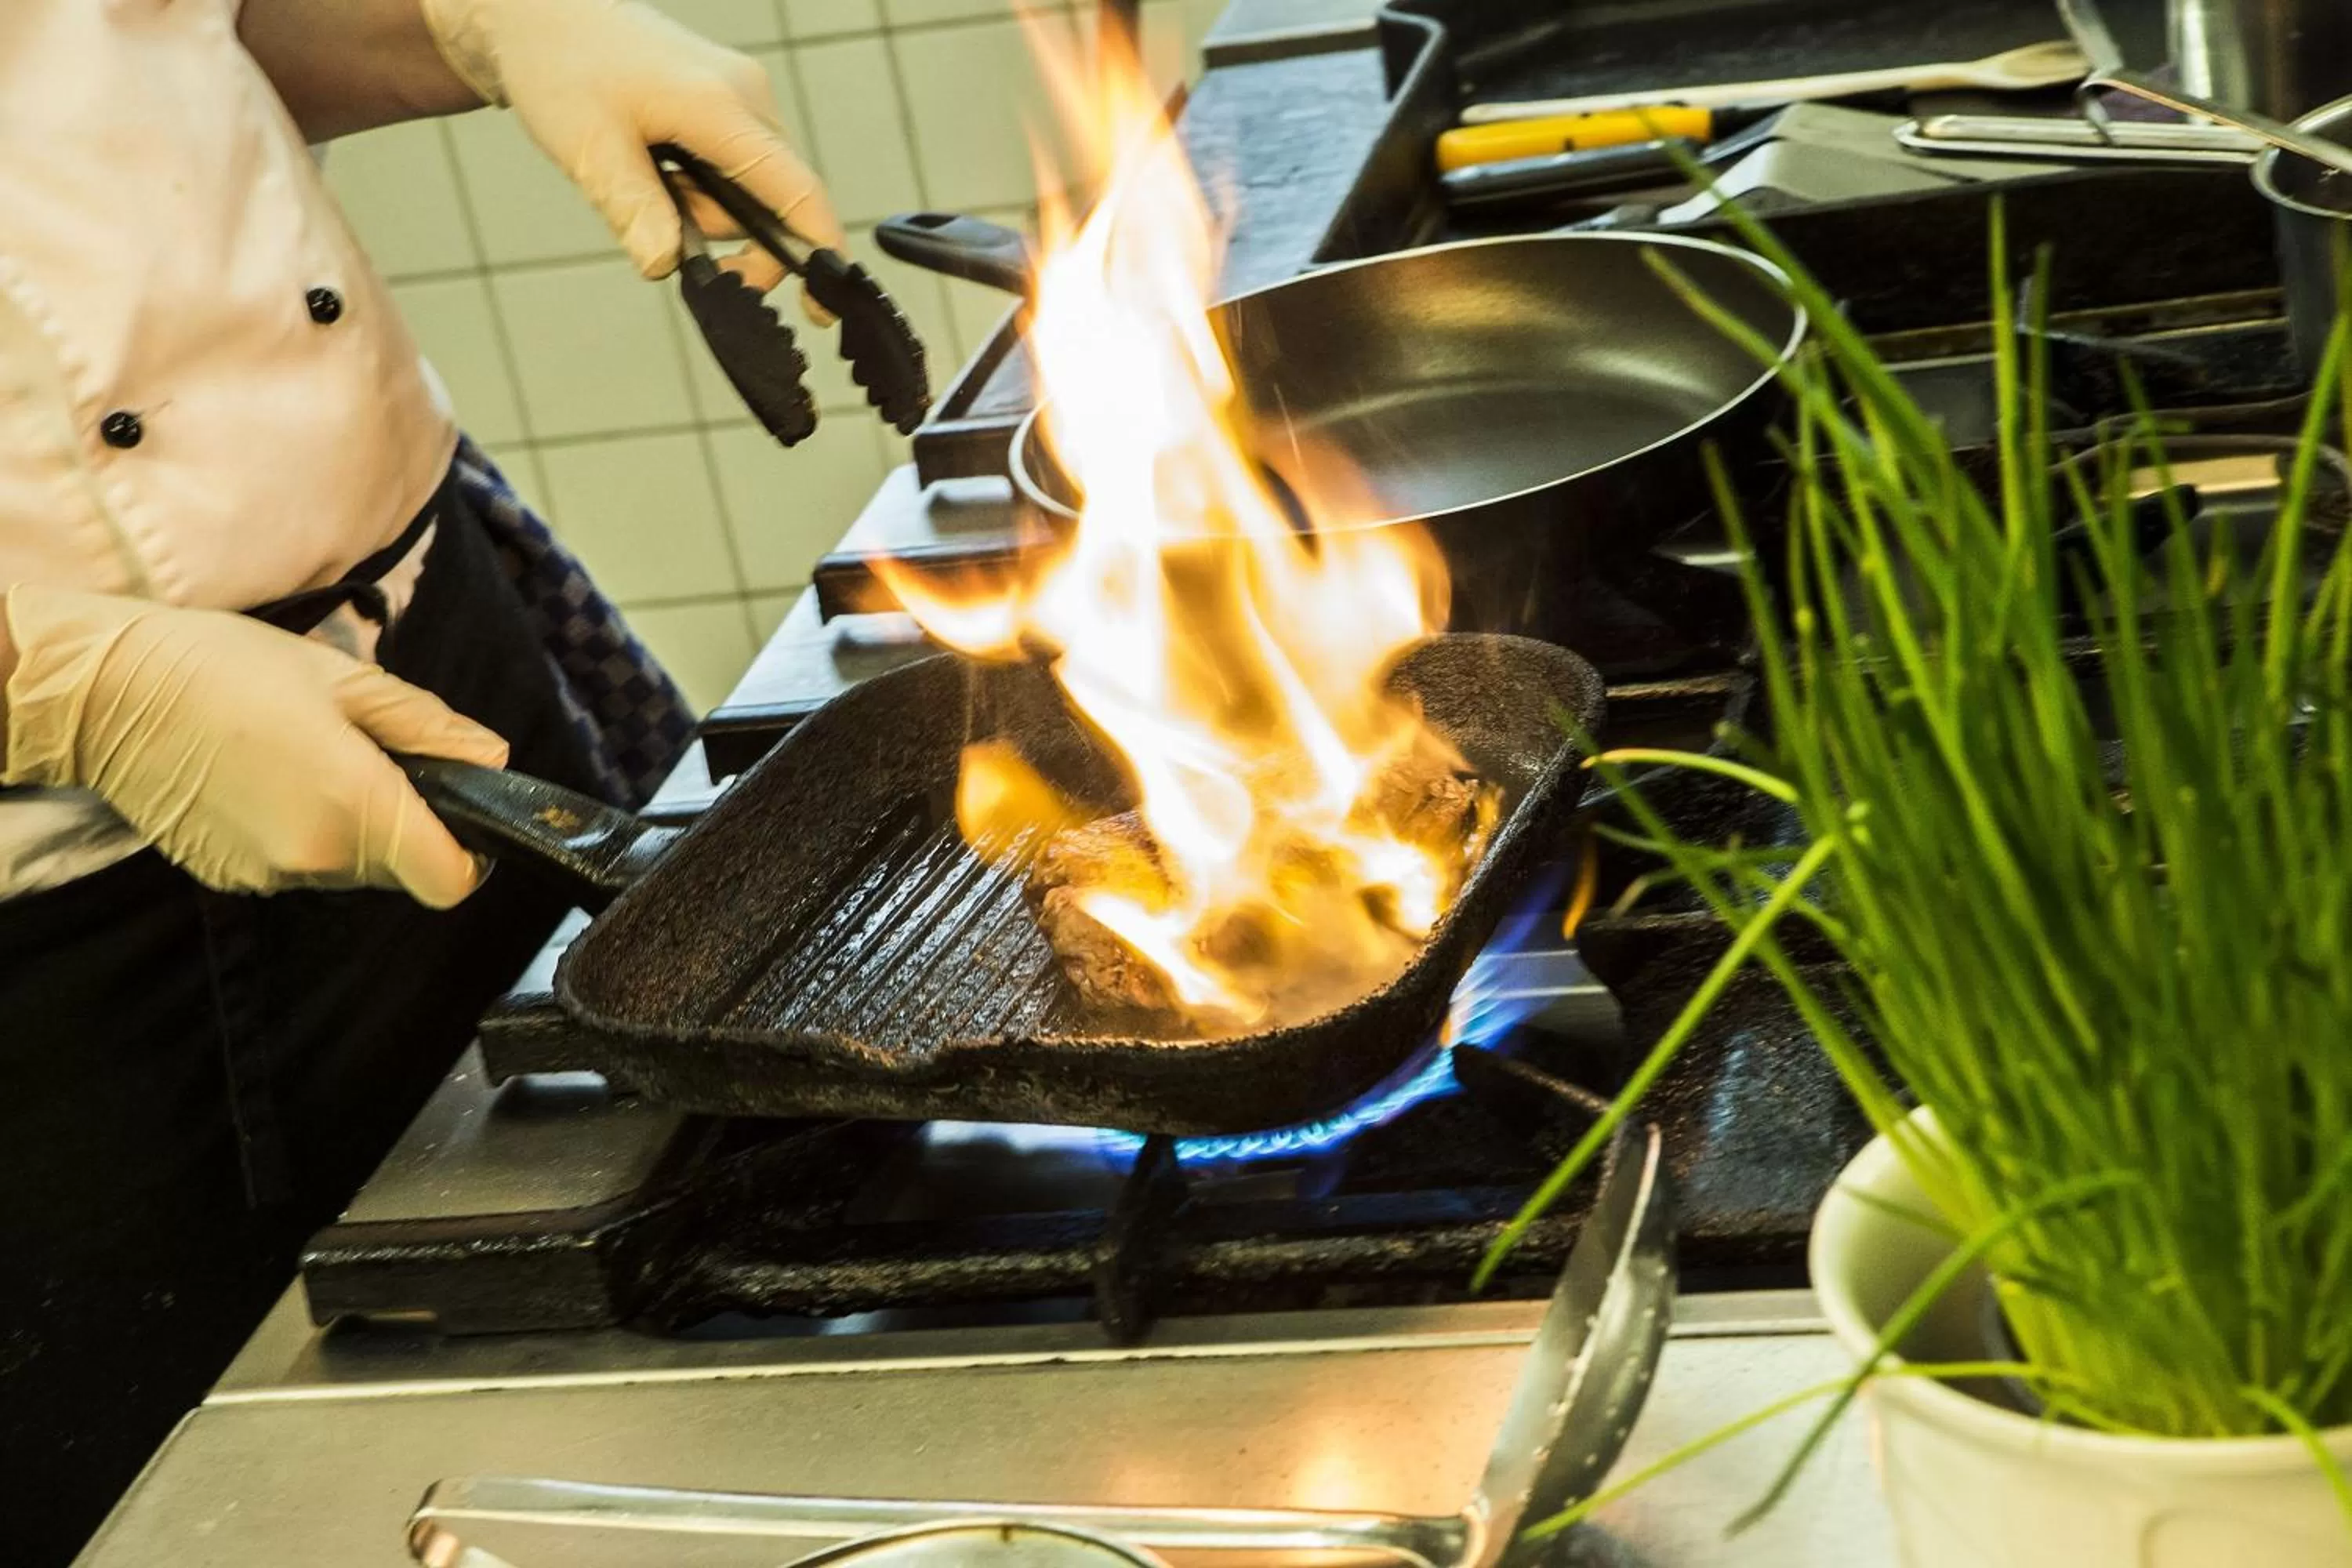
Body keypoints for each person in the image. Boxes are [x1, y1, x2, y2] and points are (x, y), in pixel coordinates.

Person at [0, 2, 846, 1559]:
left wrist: (481, 29)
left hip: (432, 666)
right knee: (213, 1522)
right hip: (53, 978)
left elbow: (157, 39)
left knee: (672, 1408)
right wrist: (71, 685)